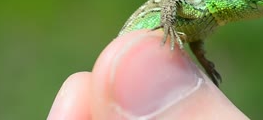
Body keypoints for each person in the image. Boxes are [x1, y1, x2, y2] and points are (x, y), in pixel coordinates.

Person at [48, 31, 248, 119]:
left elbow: (194, 35)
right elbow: (173, 2)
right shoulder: (199, 0)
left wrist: (202, 59)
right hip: (127, 58)